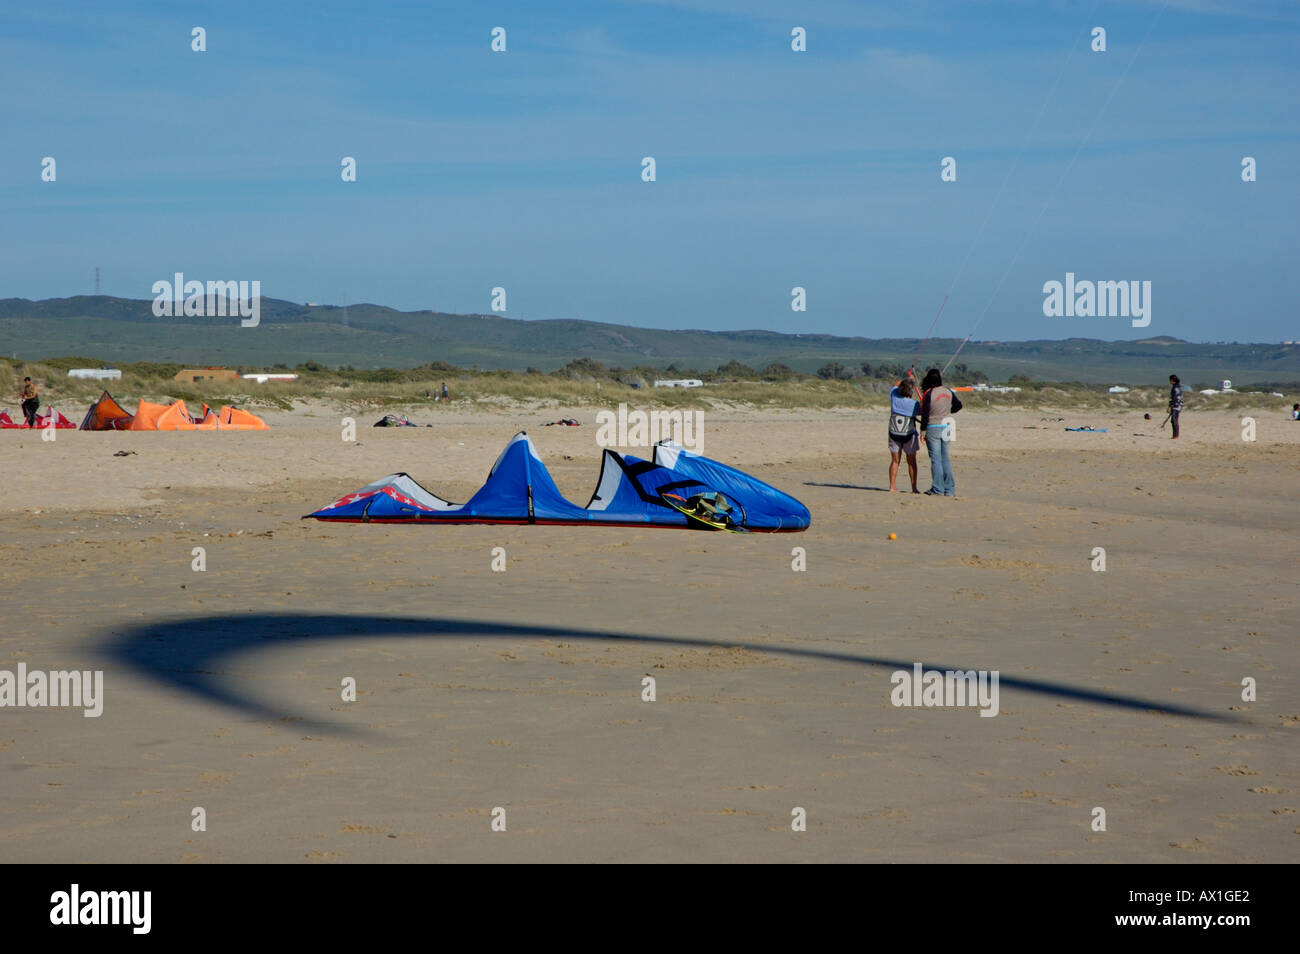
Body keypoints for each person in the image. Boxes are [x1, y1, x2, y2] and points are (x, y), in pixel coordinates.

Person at [919, 368, 962, 496]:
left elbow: (925, 414)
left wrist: (922, 431)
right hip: (947, 426)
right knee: (945, 459)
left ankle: (937, 488)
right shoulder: (948, 391)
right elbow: (958, 405)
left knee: (936, 460)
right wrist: (948, 412)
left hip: (933, 427)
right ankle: (949, 489)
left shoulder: (929, 393)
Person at [887, 379, 920, 493]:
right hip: (908, 434)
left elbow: (895, 384)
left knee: (895, 461)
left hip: (894, 433)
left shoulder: (894, 396)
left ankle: (892, 486)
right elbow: (922, 412)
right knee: (911, 462)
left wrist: (908, 378)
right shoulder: (915, 405)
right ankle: (914, 488)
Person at [1168, 374, 1183, 439]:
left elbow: (1174, 398)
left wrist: (1169, 406)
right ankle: (1175, 435)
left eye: (1170, 380)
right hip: (1178, 405)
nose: (1169, 381)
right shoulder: (1178, 387)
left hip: (1176, 405)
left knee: (1174, 420)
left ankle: (1175, 435)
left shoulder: (1175, 388)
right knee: (1174, 420)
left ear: (1172, 380)